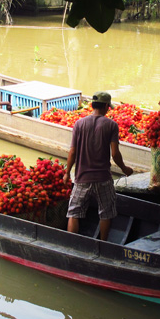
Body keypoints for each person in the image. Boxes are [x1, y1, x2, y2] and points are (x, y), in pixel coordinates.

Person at [63, 91, 133, 241]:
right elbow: (115, 154)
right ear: (107, 106)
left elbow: (73, 152)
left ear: (92, 105)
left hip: (82, 178)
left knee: (74, 213)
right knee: (106, 213)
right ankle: (102, 244)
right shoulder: (111, 125)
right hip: (103, 179)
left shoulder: (79, 124)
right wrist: (125, 169)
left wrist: (67, 172)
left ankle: (71, 244)